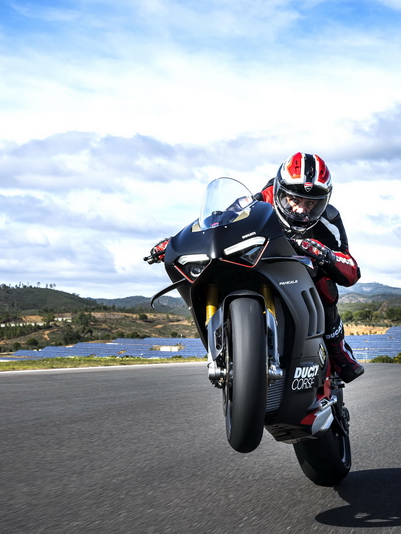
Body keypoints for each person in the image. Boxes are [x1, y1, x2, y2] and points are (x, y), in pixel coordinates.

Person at [150, 152, 364, 383]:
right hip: (264, 264)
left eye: (310, 203)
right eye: (294, 200)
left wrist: (325, 254)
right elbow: (218, 222)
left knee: (327, 286)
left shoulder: (329, 218)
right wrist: (177, 242)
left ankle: (339, 352)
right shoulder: (259, 200)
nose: (302, 209)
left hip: (302, 272)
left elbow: (351, 269)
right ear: (280, 191)